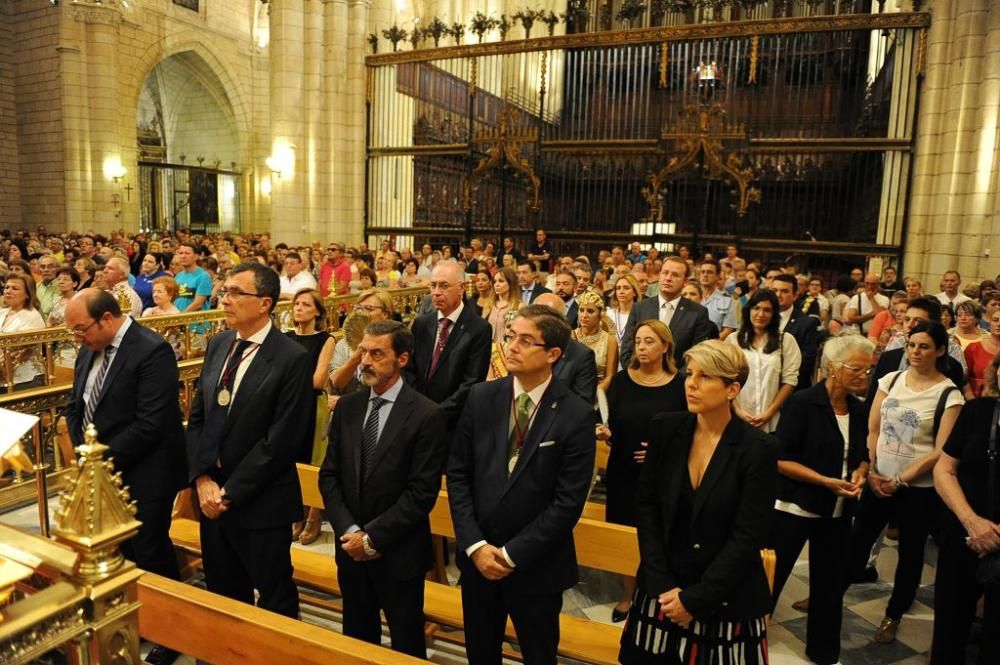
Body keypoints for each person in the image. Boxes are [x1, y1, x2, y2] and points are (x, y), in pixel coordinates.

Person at [448, 304, 595, 665]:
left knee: (538, 655)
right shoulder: (483, 397)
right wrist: (476, 546)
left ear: (553, 355)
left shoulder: (575, 413)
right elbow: (459, 474)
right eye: (511, 336)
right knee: (481, 654)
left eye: (526, 341)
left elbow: (567, 503)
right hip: (478, 560)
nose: (512, 346)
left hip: (536, 567)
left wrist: (512, 554)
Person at [621, 339, 777, 664]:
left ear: (732, 389)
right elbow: (647, 507)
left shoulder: (757, 449)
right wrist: (663, 584)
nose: (691, 384)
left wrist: (698, 599)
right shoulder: (666, 428)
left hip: (724, 595)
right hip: (663, 590)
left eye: (705, 377)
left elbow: (748, 534)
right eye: (690, 374)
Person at [62, 288, 186, 665]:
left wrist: (96, 459)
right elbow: (75, 404)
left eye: (81, 329)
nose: (77, 339)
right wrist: (85, 456)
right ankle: (132, 618)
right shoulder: (89, 347)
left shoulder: (151, 351)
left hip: (146, 472)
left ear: (108, 319)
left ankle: (172, 631)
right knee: (118, 551)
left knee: (149, 549)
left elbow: (150, 425)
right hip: (103, 470)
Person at [185, 262, 313, 619]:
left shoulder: (292, 358)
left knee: (275, 598)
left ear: (265, 303)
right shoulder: (219, 344)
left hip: (260, 501)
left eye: (236, 293)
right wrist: (203, 479)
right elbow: (198, 418)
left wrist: (229, 493)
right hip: (212, 497)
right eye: (223, 291)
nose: (225, 300)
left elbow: (282, 441)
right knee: (224, 596)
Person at [319, 320, 446, 657]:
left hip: (398, 552)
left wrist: (371, 539)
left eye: (377, 354)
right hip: (350, 549)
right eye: (363, 352)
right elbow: (329, 476)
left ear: (402, 359)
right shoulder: (348, 407)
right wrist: (349, 530)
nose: (365, 361)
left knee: (405, 643)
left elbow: (421, 494)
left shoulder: (426, 415)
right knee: (357, 640)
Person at [847, 321, 964, 643]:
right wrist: (871, 469)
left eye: (924, 346)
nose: (915, 352)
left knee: (910, 554)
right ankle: (828, 595)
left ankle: (894, 613)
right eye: (912, 345)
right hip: (877, 479)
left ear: (940, 351)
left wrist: (899, 480)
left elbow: (941, 450)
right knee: (857, 542)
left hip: (917, 489)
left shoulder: (949, 394)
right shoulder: (891, 379)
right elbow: (872, 428)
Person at [769, 335, 875, 665]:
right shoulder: (804, 402)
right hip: (796, 505)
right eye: (856, 369)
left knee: (830, 585)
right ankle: (748, 634)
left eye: (868, 370)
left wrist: (860, 471)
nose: (864, 376)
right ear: (832, 368)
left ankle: (823, 651)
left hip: (838, 508)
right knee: (771, 576)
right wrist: (823, 480)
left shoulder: (858, 409)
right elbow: (780, 459)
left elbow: (861, 455)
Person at [596, 319, 687, 622]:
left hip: (664, 475)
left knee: (657, 533)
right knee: (626, 532)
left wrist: (662, 452)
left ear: (665, 346)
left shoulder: (680, 384)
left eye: (650, 341)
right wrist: (605, 431)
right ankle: (628, 592)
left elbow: (691, 431)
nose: (642, 347)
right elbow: (610, 419)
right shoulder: (622, 381)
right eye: (638, 341)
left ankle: (654, 588)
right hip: (623, 469)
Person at [931, 357, 1000, 664]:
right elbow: (944, 470)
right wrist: (972, 522)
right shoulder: (977, 412)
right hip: (963, 533)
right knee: (949, 626)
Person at [404, 261, 492, 431]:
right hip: (417, 415)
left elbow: (472, 382)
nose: (436, 292)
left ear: (461, 288)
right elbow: (409, 369)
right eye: (433, 285)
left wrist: (437, 414)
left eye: (444, 286)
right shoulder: (421, 324)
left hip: (453, 422)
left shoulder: (479, 328)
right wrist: (418, 407)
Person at [287, 288, 336, 545]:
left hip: (312, 405)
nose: (299, 308)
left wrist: (287, 384)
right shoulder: (284, 337)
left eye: (306, 304)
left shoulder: (325, 339)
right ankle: (296, 513)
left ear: (317, 311)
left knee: (315, 461)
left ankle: (314, 516)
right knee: (290, 459)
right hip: (287, 407)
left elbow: (318, 380)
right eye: (297, 303)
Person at [620, 256, 716, 369]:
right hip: (639, 380)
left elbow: (698, 356)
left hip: (678, 382)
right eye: (665, 273)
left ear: (685, 282)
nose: (668, 278)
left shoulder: (698, 313)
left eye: (675, 275)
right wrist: (640, 377)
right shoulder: (640, 308)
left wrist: (673, 381)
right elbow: (627, 351)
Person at [727, 289, 802, 433]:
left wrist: (769, 413)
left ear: (774, 314)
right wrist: (737, 410)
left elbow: (790, 381)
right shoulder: (733, 340)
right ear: (748, 310)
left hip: (772, 420)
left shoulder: (786, 340)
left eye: (767, 310)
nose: (761, 314)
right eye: (756, 308)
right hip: (737, 417)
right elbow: (727, 378)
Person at [533, 293, 598, 405]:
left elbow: (582, 405)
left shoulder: (581, 356)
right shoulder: (522, 347)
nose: (538, 322)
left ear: (561, 320)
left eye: (545, 317)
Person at [329, 288, 394, 398]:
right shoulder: (343, 344)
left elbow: (387, 385)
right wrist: (358, 352)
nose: (361, 313)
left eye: (369, 309)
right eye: (358, 308)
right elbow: (336, 382)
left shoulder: (393, 343)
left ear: (385, 314)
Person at [772, 274, 820, 390]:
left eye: (784, 291)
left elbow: (807, 359)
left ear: (795, 295)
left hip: (791, 387)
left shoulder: (806, 323)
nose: (778, 295)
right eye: (774, 291)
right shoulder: (760, 319)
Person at [0, 274, 46, 390]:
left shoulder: (32, 317)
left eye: (14, 288)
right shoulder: (2, 312)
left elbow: (19, 352)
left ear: (27, 294)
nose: (8, 291)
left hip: (24, 379)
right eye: (6, 287)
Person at [572, 289, 618, 395]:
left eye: (590, 311)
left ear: (600, 314)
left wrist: (596, 394)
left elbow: (611, 376)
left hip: (598, 393)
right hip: (571, 393)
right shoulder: (570, 336)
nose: (584, 315)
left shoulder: (609, 340)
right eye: (581, 310)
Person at [964, 308, 1000, 398]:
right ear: (989, 323)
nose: (999, 324)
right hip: (978, 400)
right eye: (995, 320)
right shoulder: (973, 348)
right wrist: (972, 401)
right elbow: (963, 379)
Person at [483, 266, 521, 344]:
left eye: (501, 281)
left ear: (511, 283)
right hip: (488, 350)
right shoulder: (488, 304)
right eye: (495, 281)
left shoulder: (519, 306)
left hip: (507, 351)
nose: (496, 284)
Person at [607, 273, 640, 359]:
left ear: (635, 292)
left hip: (631, 360)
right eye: (618, 288)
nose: (621, 292)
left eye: (626, 288)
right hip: (610, 359)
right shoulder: (608, 315)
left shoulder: (640, 315)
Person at [173, 243, 213, 312]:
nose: (183, 256)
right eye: (181, 253)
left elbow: (198, 304)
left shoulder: (203, 276)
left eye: (187, 253)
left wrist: (180, 317)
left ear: (196, 257)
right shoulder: (178, 276)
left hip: (195, 321)